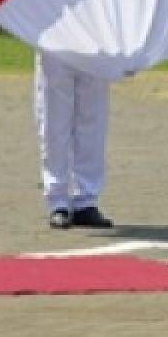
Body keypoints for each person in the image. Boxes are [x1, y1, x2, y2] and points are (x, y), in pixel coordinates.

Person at [34, 51, 115, 230]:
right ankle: (58, 201)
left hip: (94, 42)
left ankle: (86, 201)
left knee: (92, 123)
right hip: (55, 41)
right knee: (54, 123)